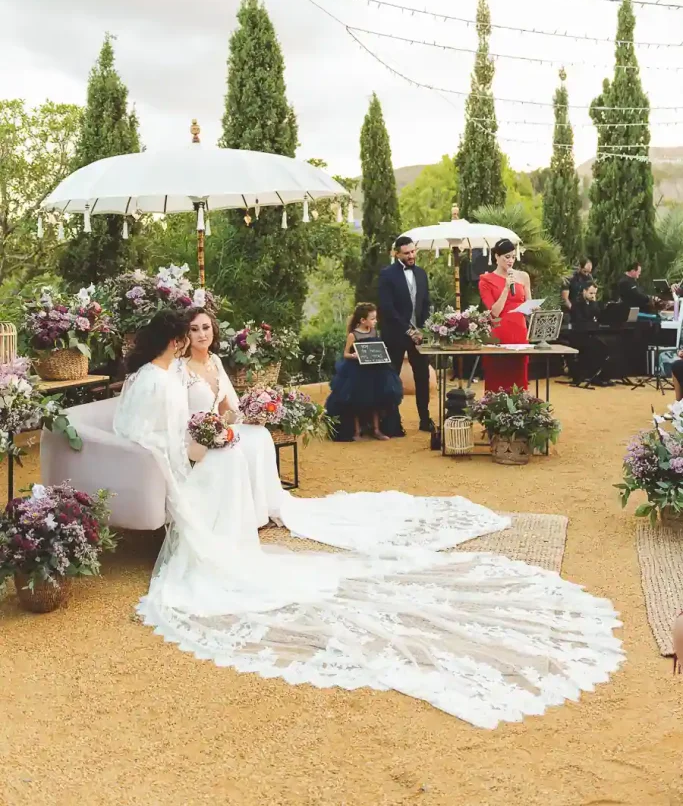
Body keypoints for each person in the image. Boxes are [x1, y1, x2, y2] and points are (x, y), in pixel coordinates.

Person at [113, 309, 623, 726]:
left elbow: (179, 425)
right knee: (230, 460)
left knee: (241, 450)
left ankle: (242, 515)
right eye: (184, 336)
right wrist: (204, 446)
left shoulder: (156, 376)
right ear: (174, 342)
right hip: (183, 462)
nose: (189, 342)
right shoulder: (159, 381)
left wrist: (214, 436)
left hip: (195, 450)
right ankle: (231, 524)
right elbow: (157, 436)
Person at [181, 306, 283, 527]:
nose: (202, 334)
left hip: (218, 428)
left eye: (206, 328)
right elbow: (177, 412)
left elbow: (227, 405)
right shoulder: (181, 368)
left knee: (259, 435)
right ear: (186, 335)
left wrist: (251, 414)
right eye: (194, 329)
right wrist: (207, 433)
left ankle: (261, 511)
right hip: (196, 436)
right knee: (237, 448)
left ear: (213, 330)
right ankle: (242, 517)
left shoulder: (215, 360)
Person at [377, 237, 433, 432]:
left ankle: (425, 419)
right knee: (392, 378)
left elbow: (426, 303)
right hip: (395, 335)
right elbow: (387, 308)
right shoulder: (387, 275)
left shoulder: (421, 274)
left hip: (419, 336)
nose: (411, 256)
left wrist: (423, 329)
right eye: (406, 253)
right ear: (396, 254)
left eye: (413, 251)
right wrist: (409, 330)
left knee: (423, 377)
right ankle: (392, 423)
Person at [325, 303, 403, 442]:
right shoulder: (353, 335)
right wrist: (354, 356)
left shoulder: (374, 332)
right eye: (372, 319)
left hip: (375, 370)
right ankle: (355, 431)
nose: (375, 321)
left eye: (375, 318)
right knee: (355, 401)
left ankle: (376, 430)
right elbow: (345, 354)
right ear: (362, 320)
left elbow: (376, 348)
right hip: (357, 372)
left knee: (377, 400)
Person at [478, 239, 531, 392]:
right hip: (499, 331)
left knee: (519, 378)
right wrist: (506, 289)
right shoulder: (486, 280)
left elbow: (528, 304)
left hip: (520, 331)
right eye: (506, 257)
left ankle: (520, 412)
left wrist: (532, 308)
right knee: (497, 377)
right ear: (496, 256)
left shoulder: (523, 276)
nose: (510, 261)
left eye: (513, 257)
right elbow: (494, 311)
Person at [569, 284, 612, 386]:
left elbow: (599, 315)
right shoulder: (577, 304)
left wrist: (594, 304)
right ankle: (592, 375)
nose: (593, 295)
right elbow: (581, 320)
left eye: (594, 293)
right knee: (597, 347)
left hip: (590, 333)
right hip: (578, 335)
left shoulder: (593, 304)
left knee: (606, 345)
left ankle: (599, 375)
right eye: (591, 293)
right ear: (584, 291)